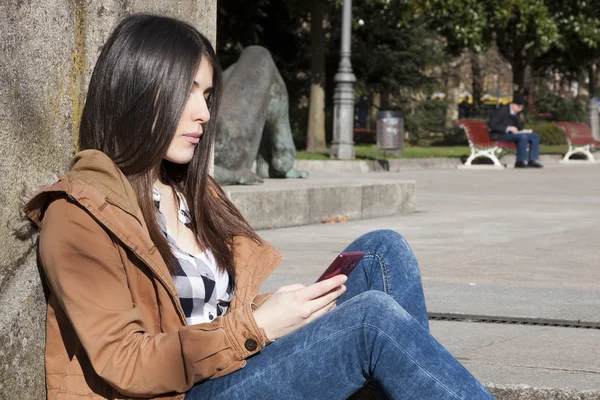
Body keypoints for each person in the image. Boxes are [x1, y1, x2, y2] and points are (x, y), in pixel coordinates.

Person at [23, 14, 494, 400]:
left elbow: (222, 311)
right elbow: (124, 363)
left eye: (207, 95)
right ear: (139, 88)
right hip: (178, 394)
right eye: (188, 90)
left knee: (381, 253)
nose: (205, 114)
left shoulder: (193, 192)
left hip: (233, 368)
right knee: (371, 318)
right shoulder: (80, 214)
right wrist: (260, 326)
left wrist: (281, 310)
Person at [488, 92, 543, 168]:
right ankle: (520, 161)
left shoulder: (516, 113)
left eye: (522, 107)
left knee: (534, 136)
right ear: (513, 104)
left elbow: (519, 128)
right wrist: (508, 128)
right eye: (519, 106)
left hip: (513, 135)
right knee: (523, 137)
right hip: (500, 135)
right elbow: (492, 124)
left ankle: (532, 160)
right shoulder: (501, 111)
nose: (520, 109)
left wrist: (525, 130)